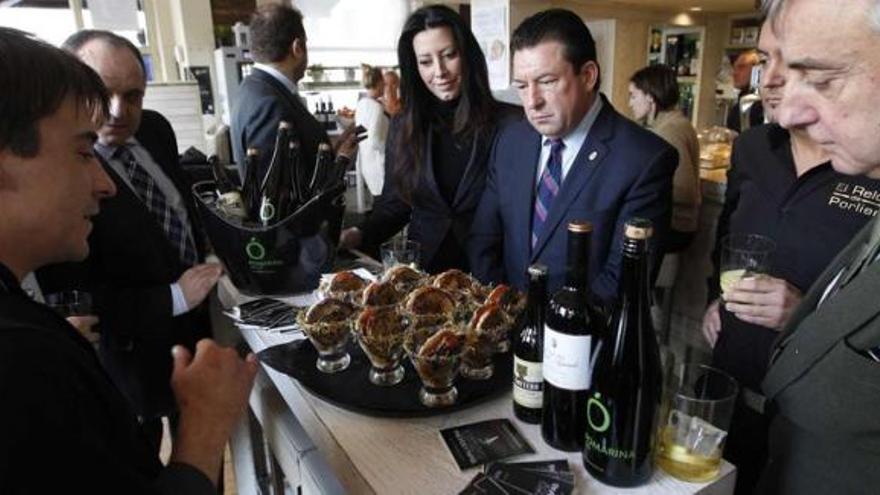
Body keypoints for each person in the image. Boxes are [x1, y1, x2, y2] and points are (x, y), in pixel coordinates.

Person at [0, 27, 257, 492]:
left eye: (133, 95)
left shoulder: (155, 132)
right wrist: (205, 428)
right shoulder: (25, 359)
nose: (105, 183)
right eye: (82, 152)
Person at [699, 18, 880, 495]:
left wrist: (806, 315)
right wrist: (713, 300)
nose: (773, 81)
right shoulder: (755, 147)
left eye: (817, 77)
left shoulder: (867, 159)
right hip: (731, 382)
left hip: (809, 421)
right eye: (764, 61)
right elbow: (727, 234)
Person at [35, 29, 221, 453]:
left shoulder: (155, 129)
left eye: (134, 96)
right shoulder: (57, 172)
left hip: (195, 333)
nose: (119, 111)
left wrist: (206, 248)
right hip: (131, 359)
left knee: (201, 442)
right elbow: (77, 296)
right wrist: (173, 296)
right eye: (103, 93)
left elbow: (178, 204)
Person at [469, 9, 676, 300]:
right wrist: (502, 316)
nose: (532, 102)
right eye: (521, 86)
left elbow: (623, 282)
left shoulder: (644, 159)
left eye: (547, 81)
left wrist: (553, 334)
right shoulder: (510, 141)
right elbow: (484, 241)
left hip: (582, 339)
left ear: (588, 75)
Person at [339, 5, 519, 274]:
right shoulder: (404, 125)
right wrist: (357, 233)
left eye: (449, 55)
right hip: (426, 276)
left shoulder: (511, 123)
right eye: (425, 61)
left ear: (467, 54)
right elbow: (394, 205)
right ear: (414, 66)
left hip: (492, 273)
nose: (440, 71)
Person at [231, 3, 359, 184]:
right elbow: (280, 198)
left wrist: (333, 153)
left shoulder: (251, 88)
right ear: (297, 47)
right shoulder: (270, 105)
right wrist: (340, 164)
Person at [628, 64, 701, 252]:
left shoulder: (669, 131)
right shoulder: (676, 122)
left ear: (650, 98)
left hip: (675, 226)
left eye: (633, 96)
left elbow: (686, 192)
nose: (630, 103)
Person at [355, 65, 390, 199]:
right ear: (380, 82)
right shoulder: (376, 107)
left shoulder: (361, 104)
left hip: (367, 164)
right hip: (379, 166)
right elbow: (375, 141)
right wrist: (392, 152)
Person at [726, 49, 765, 133]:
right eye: (734, 68)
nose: (734, 73)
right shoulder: (738, 107)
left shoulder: (764, 106)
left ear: (757, 70)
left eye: (741, 67)